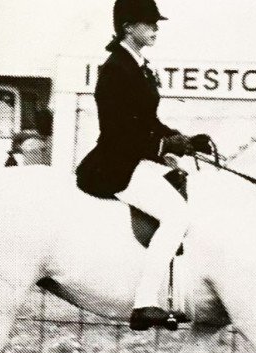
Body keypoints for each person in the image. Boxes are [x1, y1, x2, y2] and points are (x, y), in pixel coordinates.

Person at [76, 0, 211, 329]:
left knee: (186, 185)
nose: (155, 28)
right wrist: (162, 145)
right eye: (149, 23)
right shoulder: (115, 69)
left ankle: (174, 294)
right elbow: (118, 131)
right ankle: (145, 302)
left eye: (155, 23)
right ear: (128, 28)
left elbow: (148, 122)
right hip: (114, 164)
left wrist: (185, 139)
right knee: (178, 214)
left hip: (132, 158)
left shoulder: (139, 67)